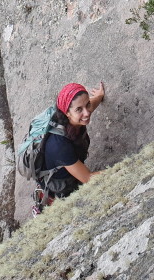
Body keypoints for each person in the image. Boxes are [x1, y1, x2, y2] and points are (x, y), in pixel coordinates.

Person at [32, 80, 105, 215]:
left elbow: (86, 109)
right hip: (61, 192)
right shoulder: (59, 145)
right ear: (67, 113)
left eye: (87, 104)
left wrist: (99, 97)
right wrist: (122, 169)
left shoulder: (73, 117)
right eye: (79, 109)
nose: (87, 113)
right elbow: (88, 178)